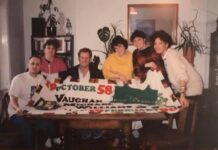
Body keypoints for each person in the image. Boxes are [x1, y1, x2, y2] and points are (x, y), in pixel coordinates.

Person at [8, 56, 58, 148]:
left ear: (40, 66)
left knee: (49, 125)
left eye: (37, 64)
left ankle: (40, 145)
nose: (35, 66)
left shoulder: (41, 78)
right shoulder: (19, 79)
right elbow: (12, 98)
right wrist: (17, 108)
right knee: (28, 130)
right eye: (32, 63)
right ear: (28, 65)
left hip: (34, 112)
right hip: (18, 113)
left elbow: (47, 90)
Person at [150, 30, 203, 107]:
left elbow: (182, 77)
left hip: (192, 91)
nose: (157, 46)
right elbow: (171, 77)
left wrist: (182, 96)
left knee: (184, 118)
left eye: (160, 43)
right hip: (185, 90)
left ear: (166, 44)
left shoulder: (171, 56)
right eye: (155, 43)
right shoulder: (164, 56)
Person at [59, 48, 103, 140]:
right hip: (76, 102)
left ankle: (95, 129)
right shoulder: (71, 71)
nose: (84, 60)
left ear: (90, 59)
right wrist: (68, 79)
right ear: (78, 59)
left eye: (87, 58)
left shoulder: (97, 72)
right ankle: (83, 129)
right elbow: (62, 86)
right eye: (82, 57)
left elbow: (102, 88)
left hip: (93, 101)